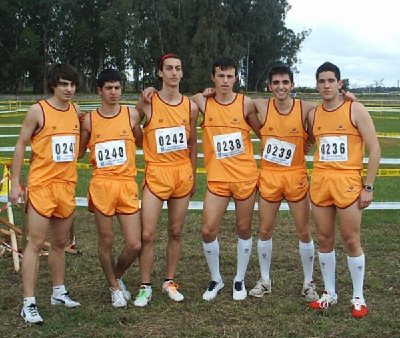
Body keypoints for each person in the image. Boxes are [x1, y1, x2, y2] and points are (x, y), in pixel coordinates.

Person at [9, 64, 81, 324]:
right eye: (63, 84)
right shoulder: (38, 111)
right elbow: (20, 144)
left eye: (72, 84)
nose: (68, 89)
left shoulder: (76, 110)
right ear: (54, 84)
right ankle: (28, 302)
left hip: (66, 187)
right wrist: (15, 183)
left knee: (60, 243)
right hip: (41, 187)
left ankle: (58, 292)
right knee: (36, 244)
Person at [308, 62, 381, 318]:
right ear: (317, 84)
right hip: (320, 183)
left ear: (340, 83)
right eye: (321, 81)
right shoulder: (313, 113)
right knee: (324, 239)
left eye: (331, 80)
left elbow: (375, 150)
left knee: (351, 240)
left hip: (348, 183)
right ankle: (329, 292)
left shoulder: (356, 109)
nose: (326, 85)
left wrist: (368, 187)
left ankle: (358, 296)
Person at [191, 56, 261, 301]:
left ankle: (239, 279)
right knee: (208, 230)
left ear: (236, 78)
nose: (225, 80)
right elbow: (180, 102)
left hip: (245, 178)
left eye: (230, 76)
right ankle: (216, 279)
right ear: (212, 77)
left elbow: (265, 130)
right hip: (217, 179)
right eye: (220, 76)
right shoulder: (202, 101)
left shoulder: (246, 104)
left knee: (243, 228)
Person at [249, 64, 319, 301]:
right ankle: (265, 280)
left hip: (295, 176)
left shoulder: (305, 108)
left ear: (292, 85)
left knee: (304, 231)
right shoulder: (260, 105)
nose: (280, 87)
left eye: (285, 82)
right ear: (269, 86)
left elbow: (331, 111)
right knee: (265, 230)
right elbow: (232, 104)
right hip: (269, 175)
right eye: (276, 83)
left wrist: (347, 96)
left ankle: (309, 282)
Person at [133, 54, 199, 307]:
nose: (173, 73)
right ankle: (145, 286)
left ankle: (169, 281)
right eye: (168, 69)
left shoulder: (190, 107)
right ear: (160, 73)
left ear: (182, 73)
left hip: (181, 173)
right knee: (147, 234)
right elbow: (133, 130)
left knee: (176, 231)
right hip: (156, 173)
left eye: (178, 69)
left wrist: (192, 174)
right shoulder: (148, 103)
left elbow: (192, 143)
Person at [78, 69, 142, 308]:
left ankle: (117, 275)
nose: (114, 92)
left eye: (117, 88)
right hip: (102, 185)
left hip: (126, 184)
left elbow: (143, 142)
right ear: (99, 91)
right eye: (108, 88)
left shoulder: (131, 115)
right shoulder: (90, 120)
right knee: (106, 240)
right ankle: (114, 288)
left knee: (134, 243)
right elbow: (79, 151)